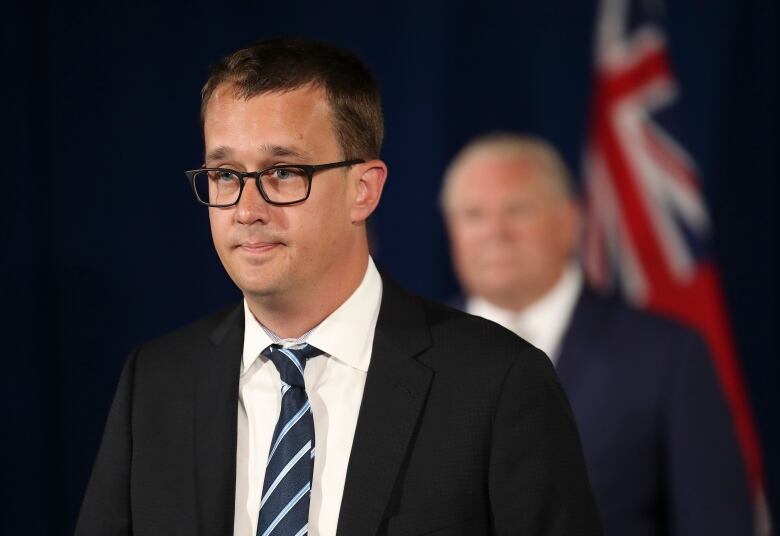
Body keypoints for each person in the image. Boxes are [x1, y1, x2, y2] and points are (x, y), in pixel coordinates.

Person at [75, 40, 601, 535]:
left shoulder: (499, 382)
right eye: (226, 175)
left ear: (363, 190)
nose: (247, 210)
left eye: (282, 172)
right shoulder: (156, 382)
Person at [441, 133, 754, 535]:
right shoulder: (407, 348)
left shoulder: (666, 355)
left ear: (569, 222)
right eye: (473, 214)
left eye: (517, 210)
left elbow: (715, 522)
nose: (495, 232)